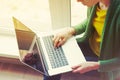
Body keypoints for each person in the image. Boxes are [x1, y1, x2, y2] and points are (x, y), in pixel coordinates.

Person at [50, 0, 120, 80]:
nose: (77, 0)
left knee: (58, 67)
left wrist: (96, 65)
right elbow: (92, 20)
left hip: (106, 62)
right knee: (55, 53)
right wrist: (71, 30)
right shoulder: (97, 3)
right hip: (91, 47)